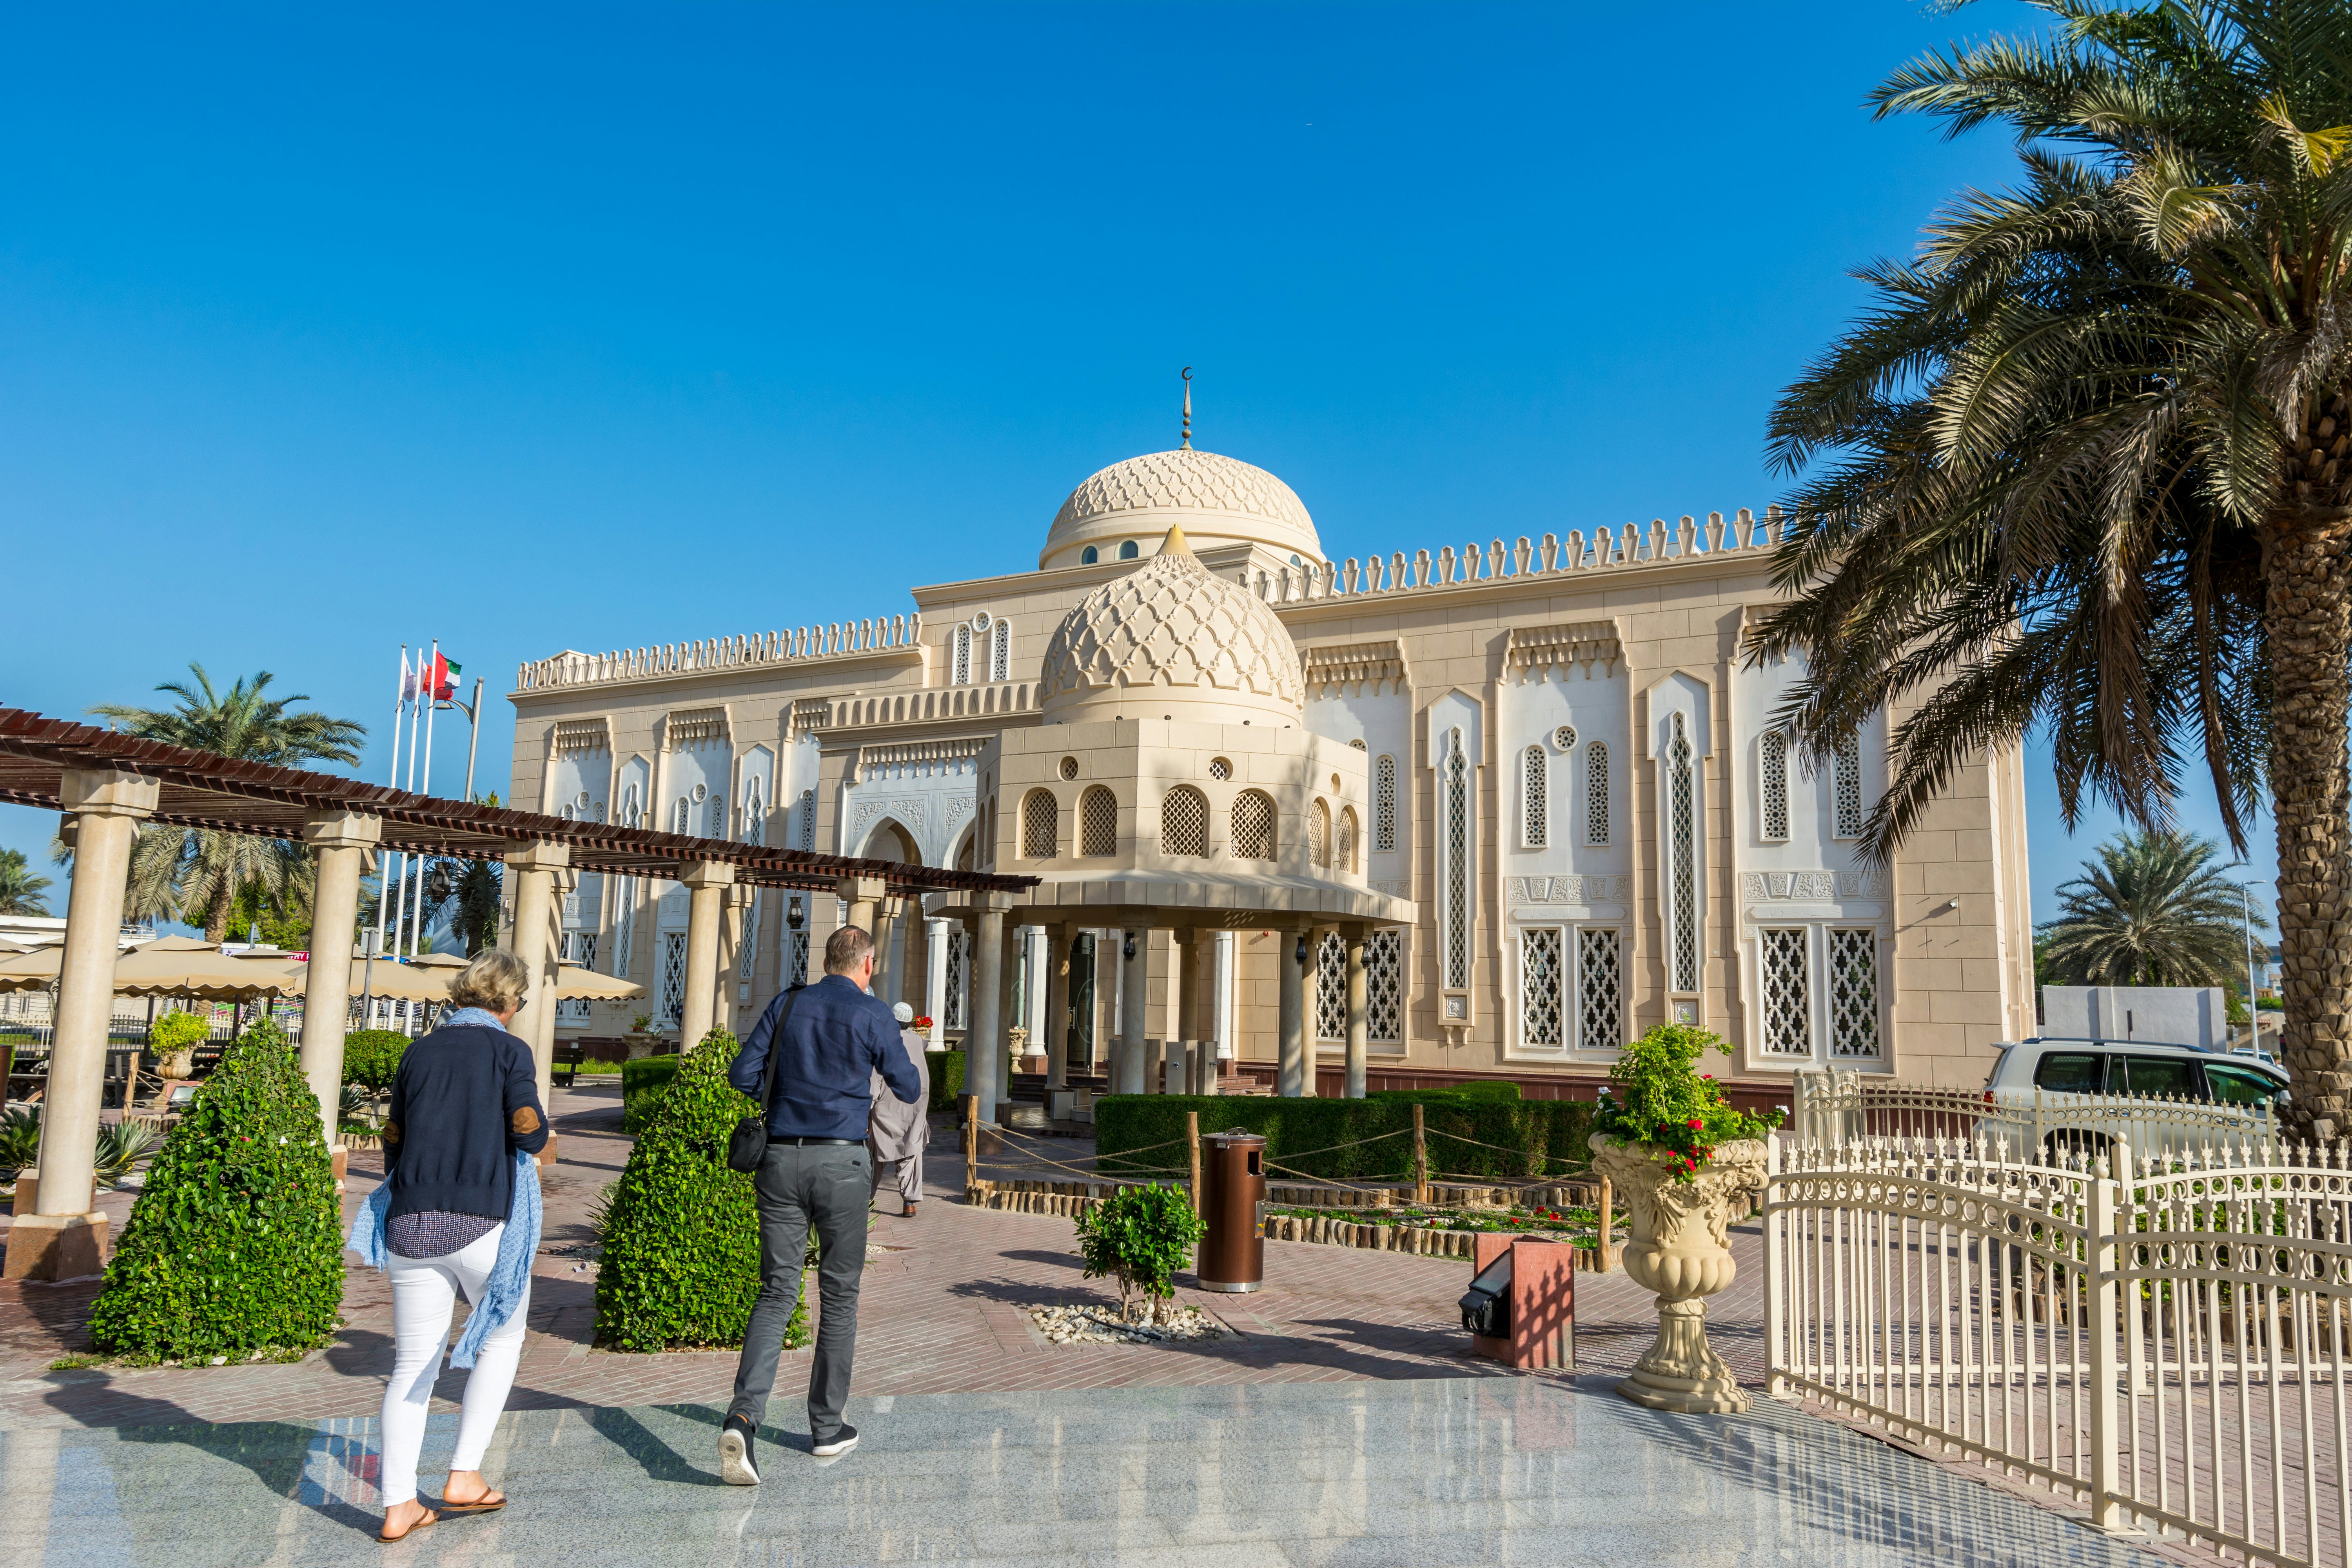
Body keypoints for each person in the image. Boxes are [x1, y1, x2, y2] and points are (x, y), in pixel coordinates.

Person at [349, 948, 548, 1544]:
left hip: (411, 1220)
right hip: (485, 1220)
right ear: (508, 1002)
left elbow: (394, 1138)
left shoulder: (418, 1052)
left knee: (412, 1365)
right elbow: (530, 1131)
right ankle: (464, 1476)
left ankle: (399, 1505)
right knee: (502, 1340)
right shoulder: (509, 1050)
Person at [720, 924, 921, 1485]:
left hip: (780, 1161)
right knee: (839, 1293)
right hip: (842, 1163)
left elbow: (742, 1074)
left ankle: (744, 1416)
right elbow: (907, 1086)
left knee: (778, 1289)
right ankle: (826, 1428)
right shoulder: (871, 1011)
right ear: (866, 963)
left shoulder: (788, 1003)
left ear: (827, 960)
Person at [868, 1002, 932, 1219]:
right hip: (914, 1107)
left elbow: (875, 1081)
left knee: (875, 1153)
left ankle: (866, 1198)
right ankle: (910, 1203)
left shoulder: (884, 1041)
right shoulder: (917, 1041)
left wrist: (866, 1107)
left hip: (887, 1108)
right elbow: (922, 1044)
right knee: (911, 1154)